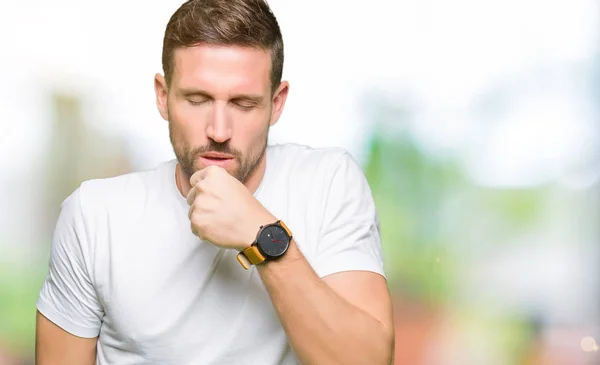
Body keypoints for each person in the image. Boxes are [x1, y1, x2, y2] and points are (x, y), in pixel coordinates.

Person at [34, 0, 394, 364]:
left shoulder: (328, 184)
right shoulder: (95, 215)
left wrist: (263, 235)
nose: (218, 131)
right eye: (197, 99)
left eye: (243, 104)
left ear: (277, 102)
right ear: (163, 96)